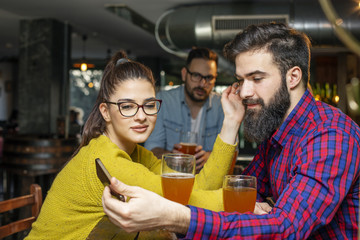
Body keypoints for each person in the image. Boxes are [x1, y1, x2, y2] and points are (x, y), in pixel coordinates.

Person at [102, 23, 360, 239]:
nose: (245, 92)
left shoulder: (332, 135)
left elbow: (286, 228)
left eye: (256, 79)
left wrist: (179, 217)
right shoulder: (277, 130)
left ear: (292, 77)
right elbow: (240, 195)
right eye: (241, 80)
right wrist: (232, 121)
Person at [25, 50, 240, 239]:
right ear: (105, 112)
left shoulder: (137, 153)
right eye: (127, 106)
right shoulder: (109, 160)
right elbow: (190, 203)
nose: (141, 116)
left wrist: (231, 123)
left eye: (149, 105)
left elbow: (195, 191)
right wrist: (242, 203)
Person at [144, 47, 224, 171]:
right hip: (171, 181)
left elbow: (232, 153)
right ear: (184, 74)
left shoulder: (222, 106)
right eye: (196, 75)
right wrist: (171, 157)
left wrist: (211, 157)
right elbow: (151, 150)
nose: (202, 84)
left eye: (209, 78)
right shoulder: (163, 101)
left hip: (208, 185)